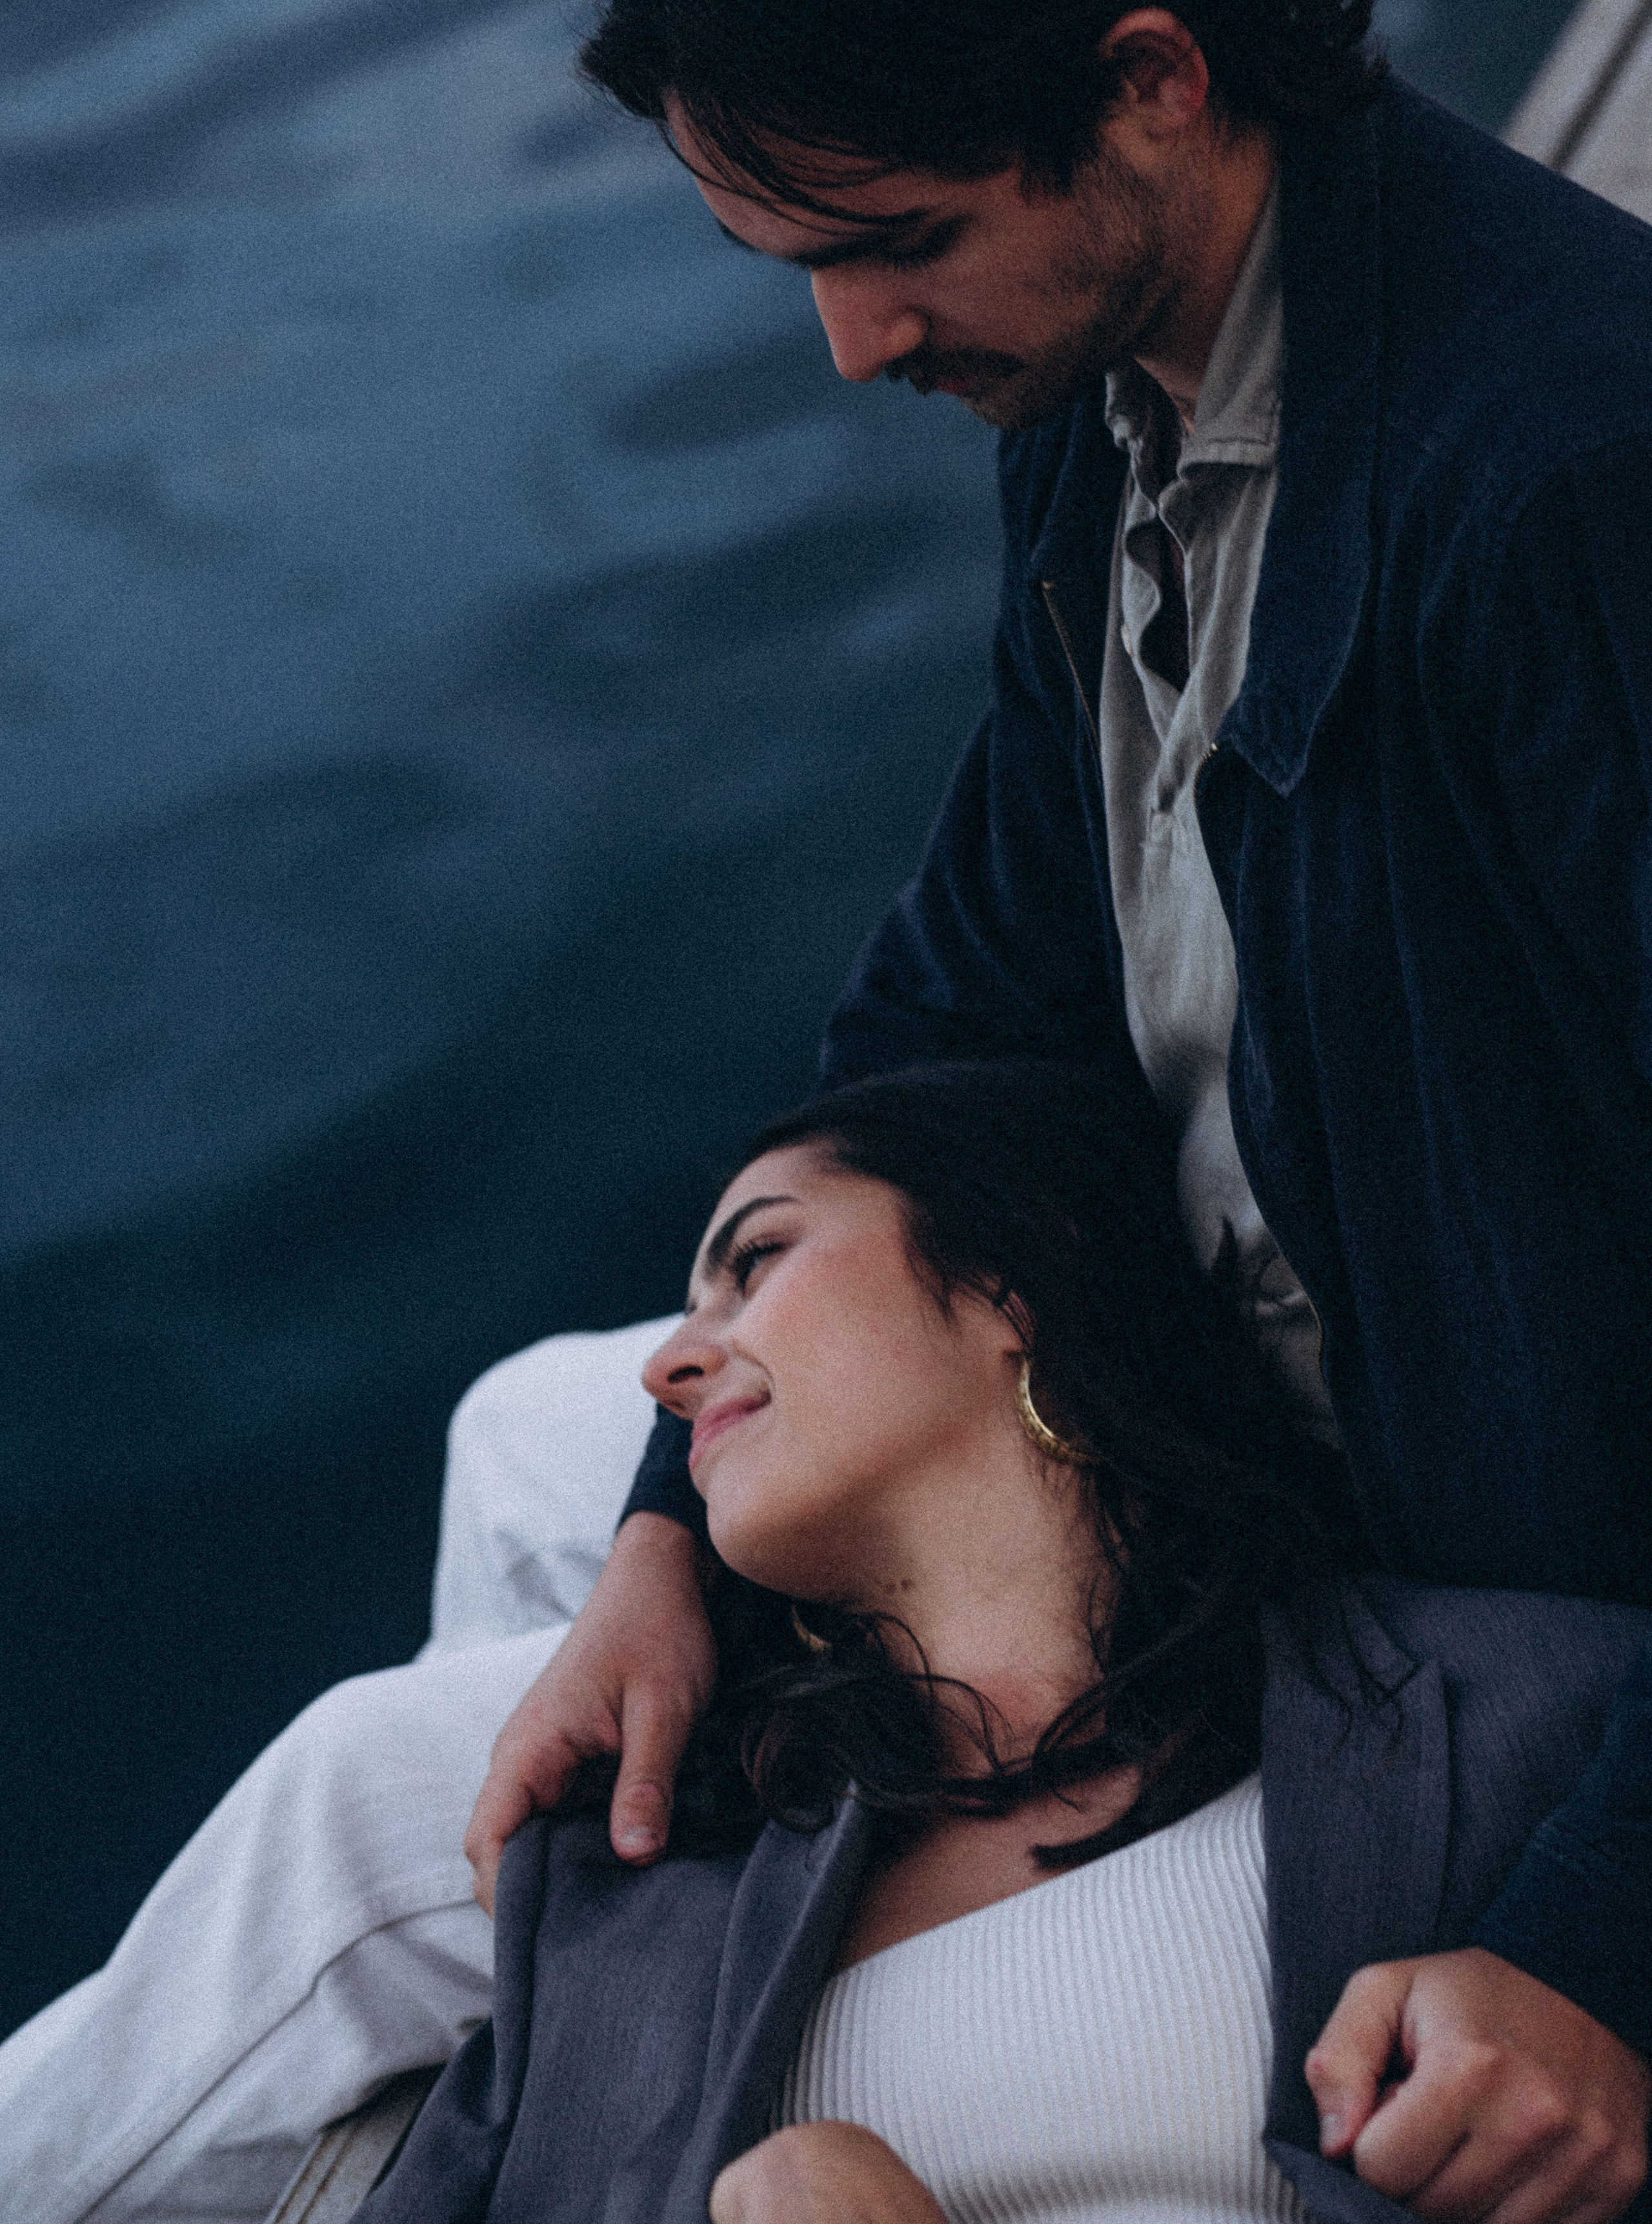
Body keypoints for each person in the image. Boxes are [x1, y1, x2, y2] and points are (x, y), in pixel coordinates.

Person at [461, 3, 1652, 2219]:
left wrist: (1600, 1952)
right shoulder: (1119, 402)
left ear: (1157, 79)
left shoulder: (1572, 481)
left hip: (1476, 1596)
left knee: (398, 1793)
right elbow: (968, 993)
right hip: (1249, 1423)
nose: (847, 343)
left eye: (901, 240)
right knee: (539, 1444)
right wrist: (657, 1528)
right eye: (791, 259)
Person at [356, 1062, 1651, 2224]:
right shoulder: (627, 1886)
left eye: (752, 1262)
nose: (665, 1369)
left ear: (1004, 1276)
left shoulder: (1544, 1722)